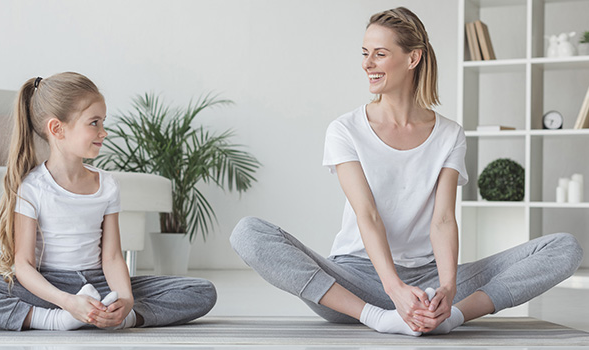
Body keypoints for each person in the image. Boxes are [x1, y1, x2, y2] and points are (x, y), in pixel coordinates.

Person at [230, 7, 583, 336]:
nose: (368, 63)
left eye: (379, 53)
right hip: (356, 282)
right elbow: (367, 215)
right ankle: (380, 319)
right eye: (364, 52)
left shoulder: (449, 134)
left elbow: (443, 220)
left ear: (412, 58)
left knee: (564, 247)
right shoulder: (345, 130)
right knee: (248, 233)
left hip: (428, 280)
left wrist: (446, 289)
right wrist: (394, 290)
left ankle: (451, 317)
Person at [0, 72, 217, 331]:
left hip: (100, 284)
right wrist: (66, 302)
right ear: (57, 129)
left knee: (201, 291)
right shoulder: (33, 187)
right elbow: (25, 265)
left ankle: (115, 318)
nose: (104, 132)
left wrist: (126, 301)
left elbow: (113, 257)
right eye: (94, 123)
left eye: (103, 122)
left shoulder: (107, 185)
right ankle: (53, 320)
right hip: (45, 289)